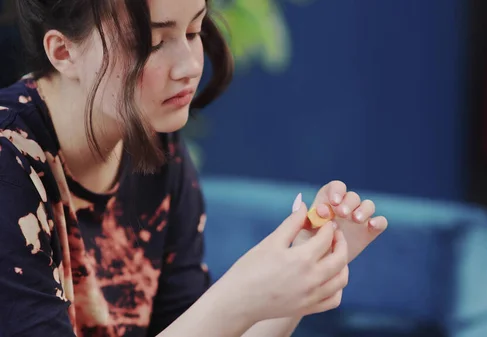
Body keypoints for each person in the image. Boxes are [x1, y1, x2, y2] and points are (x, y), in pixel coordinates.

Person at [0, 0, 388, 336]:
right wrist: (239, 296)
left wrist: (301, 273)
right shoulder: (10, 163)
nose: (187, 66)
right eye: (152, 42)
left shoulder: (155, 145)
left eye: (194, 30)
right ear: (64, 52)